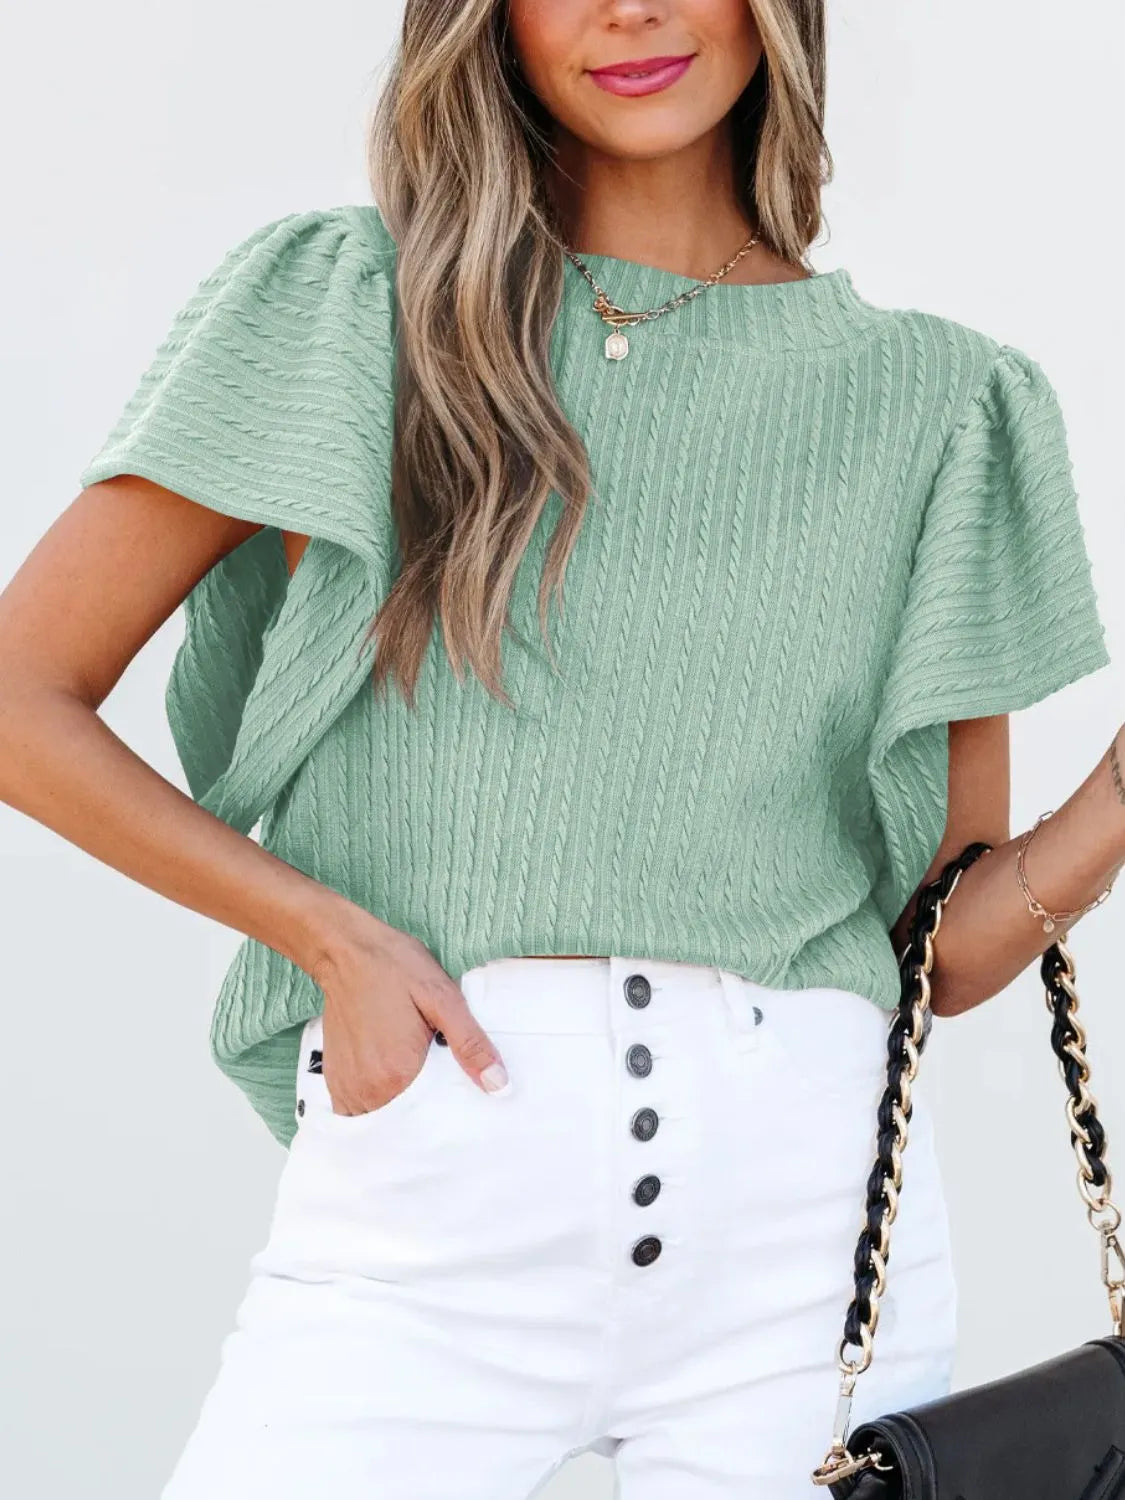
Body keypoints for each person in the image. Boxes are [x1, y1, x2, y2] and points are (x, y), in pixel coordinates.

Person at [0, 1, 1121, 1495]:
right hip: (431, 1201)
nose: (629, 10)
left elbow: (938, 948)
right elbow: (21, 693)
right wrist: (325, 935)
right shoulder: (352, 307)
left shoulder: (943, 403)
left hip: (806, 1240)